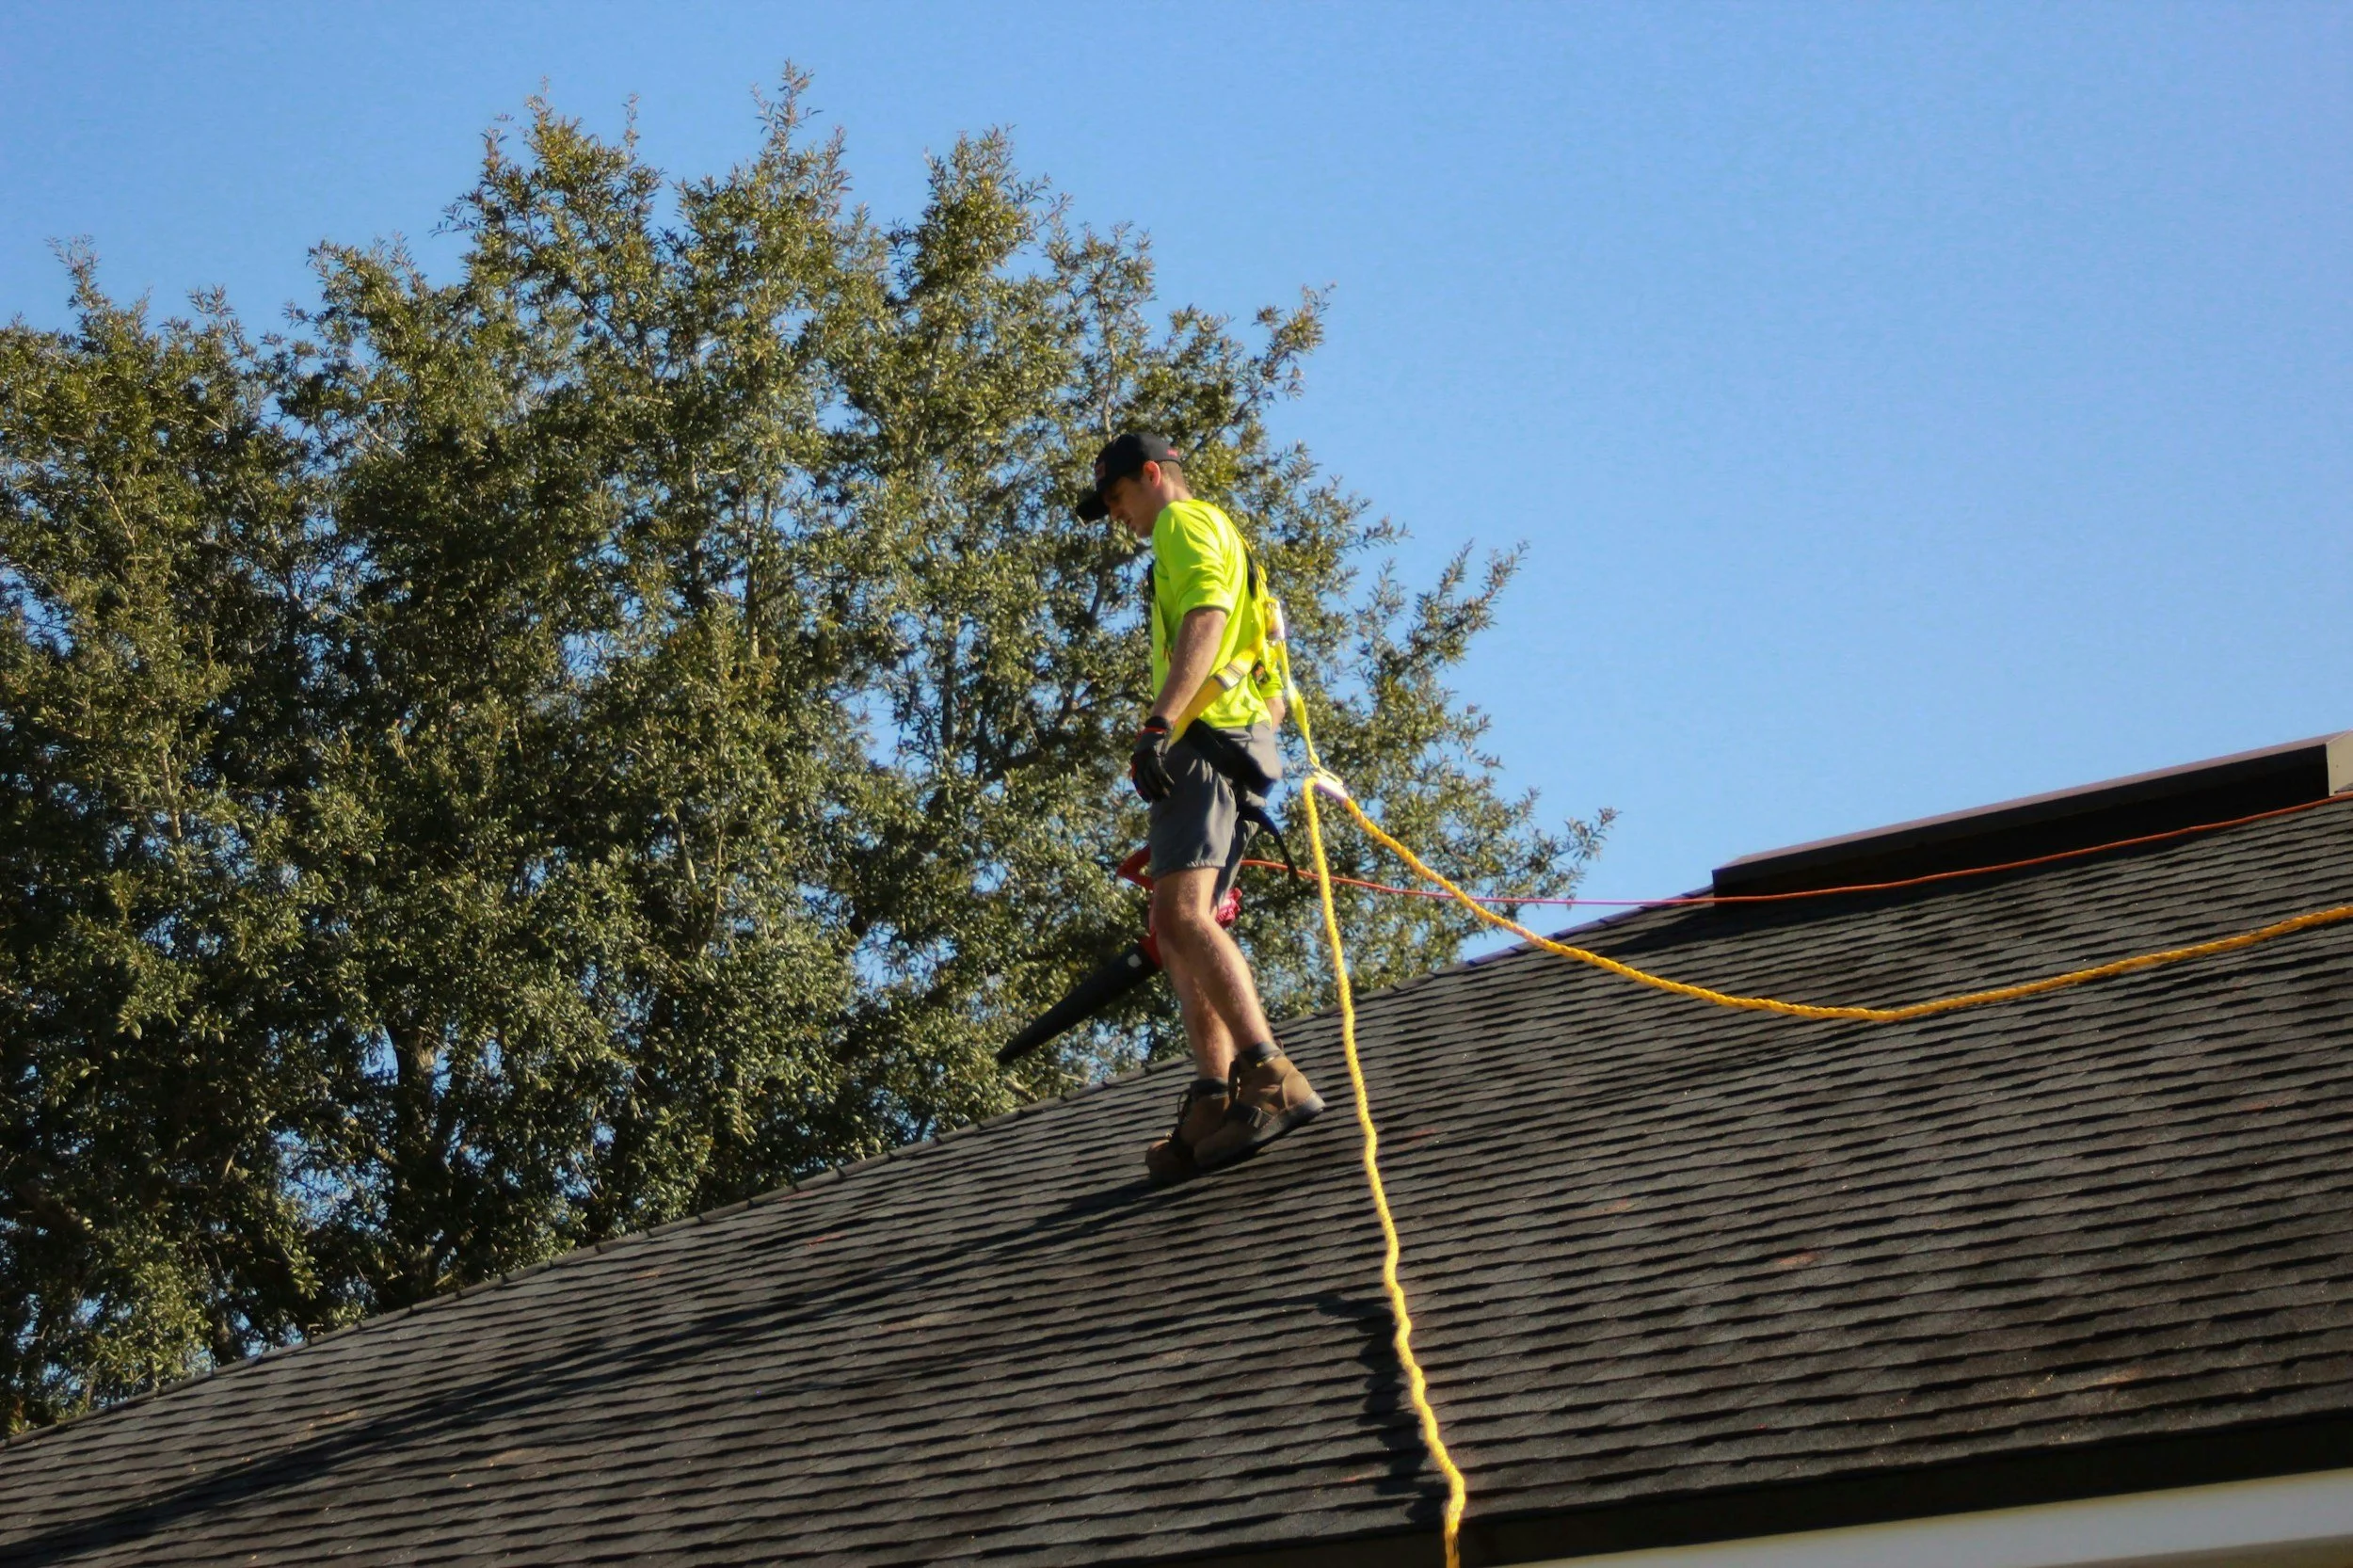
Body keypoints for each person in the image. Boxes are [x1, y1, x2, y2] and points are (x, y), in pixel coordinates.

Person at [1076, 432, 1325, 1183]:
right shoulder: (1228, 539)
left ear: (1153, 477)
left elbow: (1207, 619)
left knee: (1180, 914)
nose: (1119, 517)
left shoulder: (1183, 525)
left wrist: (1162, 723)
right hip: (1235, 739)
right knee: (1177, 922)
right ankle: (1216, 1096)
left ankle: (1268, 1071)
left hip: (1205, 740)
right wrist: (1256, 745)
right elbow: (1271, 670)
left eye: (1119, 498)